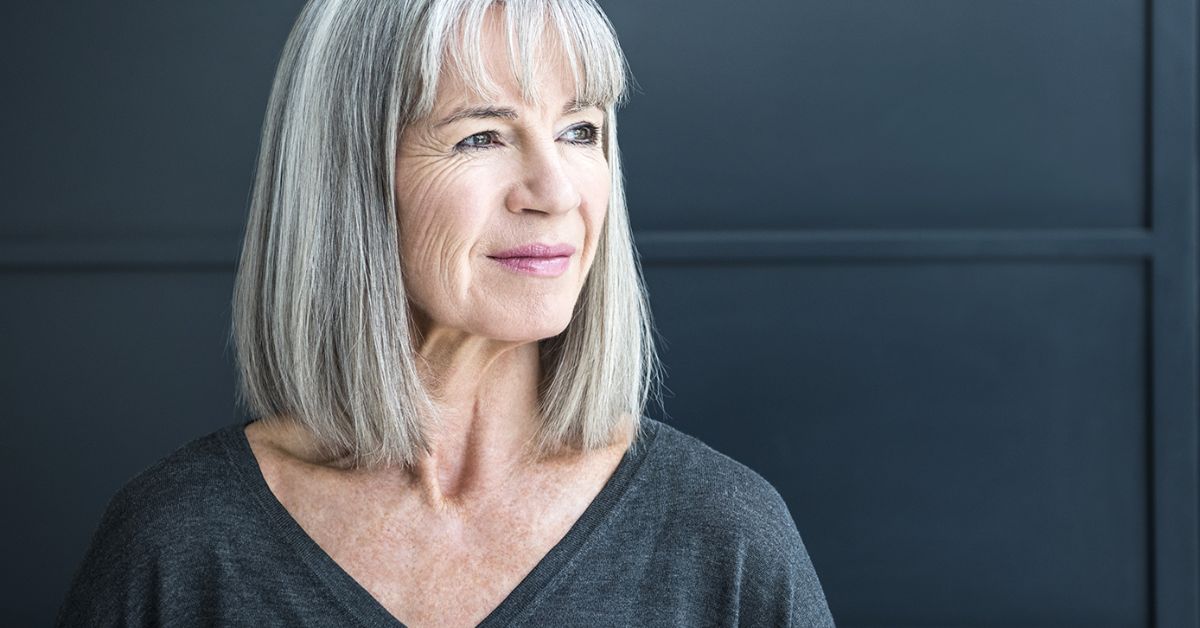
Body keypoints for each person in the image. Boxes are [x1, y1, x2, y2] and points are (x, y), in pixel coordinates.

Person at [55, 0, 835, 626]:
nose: (556, 191)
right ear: (348, 178)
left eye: (580, 131)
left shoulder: (725, 537)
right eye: (482, 136)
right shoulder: (176, 545)